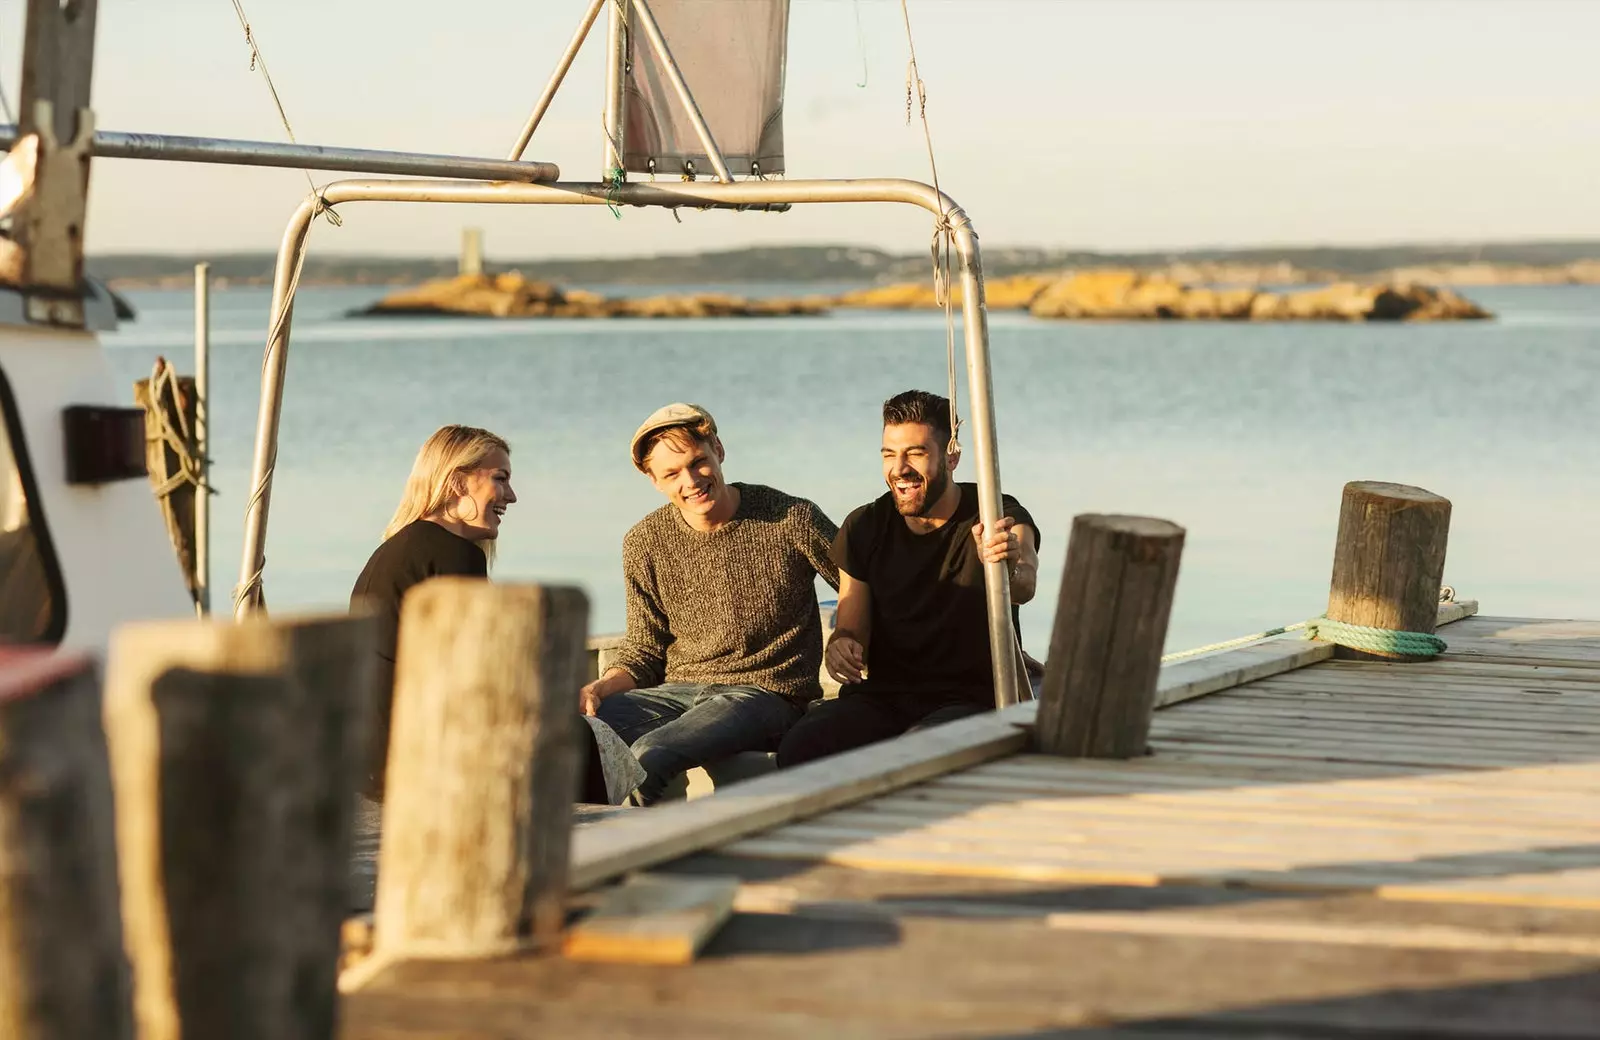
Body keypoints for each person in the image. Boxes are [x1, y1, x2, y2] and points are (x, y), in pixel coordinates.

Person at [349, 424, 623, 806]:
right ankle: (592, 850)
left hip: (374, 761)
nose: (511, 495)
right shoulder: (455, 555)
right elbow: (481, 675)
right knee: (577, 736)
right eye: (500, 478)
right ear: (458, 482)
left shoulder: (399, 549)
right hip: (421, 763)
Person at [585, 403, 840, 805]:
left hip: (765, 695)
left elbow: (862, 582)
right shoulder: (644, 542)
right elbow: (645, 650)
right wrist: (601, 687)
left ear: (718, 449)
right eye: (671, 474)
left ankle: (632, 859)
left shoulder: (791, 518)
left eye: (698, 462)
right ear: (653, 480)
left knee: (651, 754)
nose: (691, 480)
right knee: (574, 737)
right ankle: (569, 855)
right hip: (677, 692)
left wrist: (855, 636)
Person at [776, 389, 1040, 768]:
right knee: (800, 746)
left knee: (913, 754)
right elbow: (852, 628)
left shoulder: (996, 513)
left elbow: (1025, 585)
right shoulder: (863, 525)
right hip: (885, 697)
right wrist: (841, 647)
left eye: (915, 453)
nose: (899, 469)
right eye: (889, 454)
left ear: (951, 455)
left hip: (971, 699)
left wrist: (1001, 564)